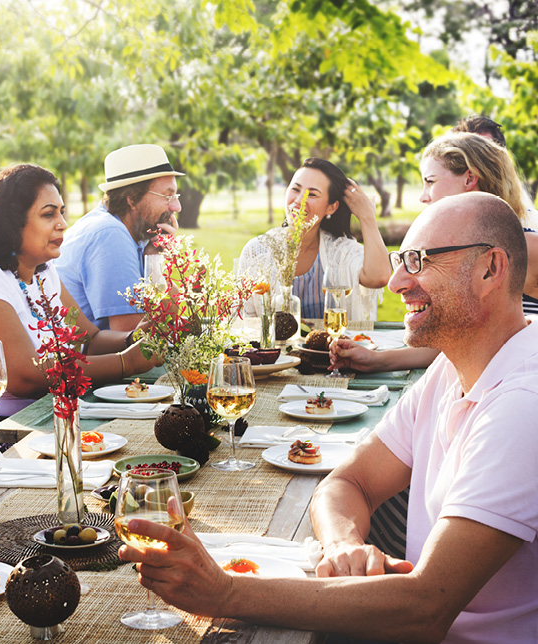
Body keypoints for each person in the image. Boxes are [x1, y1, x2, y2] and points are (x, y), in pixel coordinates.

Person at [120, 193, 538, 642]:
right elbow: (346, 482)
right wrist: (343, 546)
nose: (395, 282)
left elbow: (424, 608)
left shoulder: (521, 405)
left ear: (490, 269)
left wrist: (223, 593)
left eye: (418, 261)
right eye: (402, 260)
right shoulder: (452, 366)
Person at [0, 163, 158, 416]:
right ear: (12, 222)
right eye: (48, 214)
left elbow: (90, 341)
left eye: (62, 212)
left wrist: (133, 339)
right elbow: (26, 377)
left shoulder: (43, 271)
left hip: (53, 413)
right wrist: (125, 363)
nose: (63, 224)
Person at [333, 132, 538, 373]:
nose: (423, 196)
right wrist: (376, 360)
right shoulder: (465, 246)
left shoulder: (523, 247)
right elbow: (453, 337)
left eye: (430, 181)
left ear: (469, 177)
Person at [237, 158, 389, 320]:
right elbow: (244, 318)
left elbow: (378, 277)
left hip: (333, 344)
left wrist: (367, 217)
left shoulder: (341, 252)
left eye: (312, 194)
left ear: (331, 207)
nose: (299, 201)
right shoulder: (258, 250)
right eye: (296, 189)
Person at [55, 144, 181, 331]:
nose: (177, 207)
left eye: (175, 195)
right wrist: (170, 293)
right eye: (167, 196)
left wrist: (153, 258)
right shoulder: (109, 234)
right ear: (132, 199)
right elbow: (135, 339)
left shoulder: (133, 233)